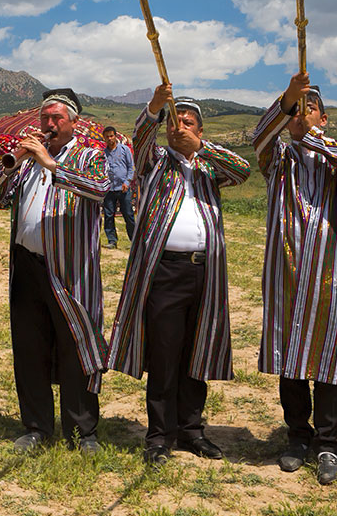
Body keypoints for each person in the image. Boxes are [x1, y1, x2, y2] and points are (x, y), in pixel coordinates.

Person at [107, 85, 250, 466]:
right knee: (165, 354)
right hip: (165, 271)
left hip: (205, 271)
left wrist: (200, 149)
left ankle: (192, 430)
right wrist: (155, 107)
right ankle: (159, 436)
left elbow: (243, 170)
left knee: (196, 351)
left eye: (187, 123)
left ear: (200, 131)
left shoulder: (209, 167)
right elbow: (140, 139)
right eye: (173, 122)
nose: (178, 128)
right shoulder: (154, 161)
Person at [251, 72, 337, 485]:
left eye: (309, 108)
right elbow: (259, 140)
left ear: (324, 118)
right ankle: (297, 435)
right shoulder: (278, 160)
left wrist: (314, 139)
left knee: (330, 355)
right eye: (295, 110)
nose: (301, 115)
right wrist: (287, 100)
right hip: (286, 271)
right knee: (290, 353)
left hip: (329, 273)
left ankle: (329, 442)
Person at [0, 88, 108, 453]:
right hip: (27, 265)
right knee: (30, 346)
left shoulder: (89, 155)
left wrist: (50, 163)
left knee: (76, 346)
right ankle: (36, 426)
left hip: (70, 267)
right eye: (45, 118)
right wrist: (14, 162)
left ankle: (82, 431)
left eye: (57, 118)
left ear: (73, 123)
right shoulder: (25, 161)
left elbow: (100, 189)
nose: (49, 124)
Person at [101, 126, 136, 248]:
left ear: (115, 136)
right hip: (109, 189)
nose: (109, 138)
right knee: (108, 215)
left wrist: (127, 182)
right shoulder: (103, 153)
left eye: (111, 136)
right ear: (104, 138)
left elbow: (131, 167)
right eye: (107, 137)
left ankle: (134, 241)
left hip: (123, 188)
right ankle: (112, 241)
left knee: (128, 214)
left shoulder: (125, 150)